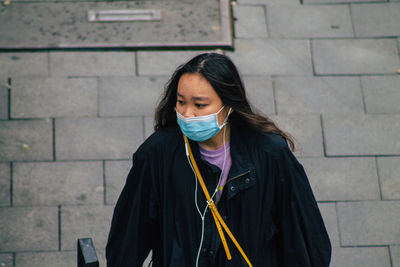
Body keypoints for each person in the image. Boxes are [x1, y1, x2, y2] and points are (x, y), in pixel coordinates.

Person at [106, 53, 331, 267]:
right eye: (181, 101)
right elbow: (130, 235)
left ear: (229, 105)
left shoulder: (270, 154)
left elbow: (306, 236)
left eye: (200, 105)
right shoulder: (157, 154)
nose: (187, 113)